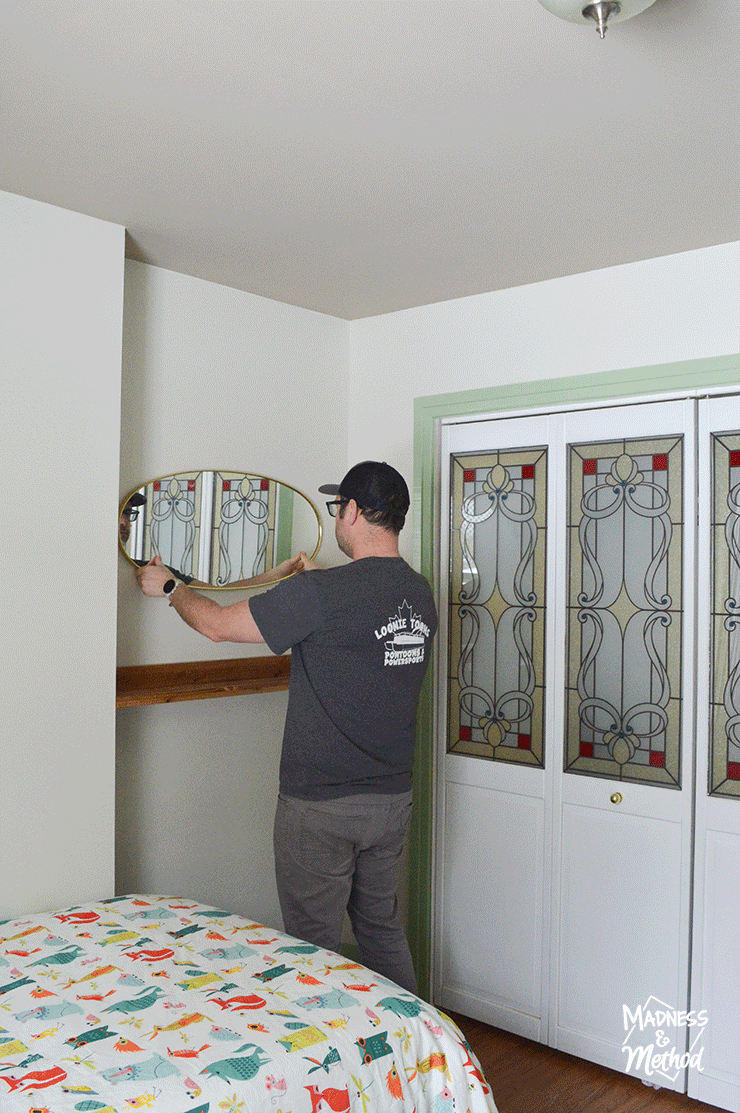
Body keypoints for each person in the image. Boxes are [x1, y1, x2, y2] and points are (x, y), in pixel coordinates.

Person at [134, 461, 437, 994]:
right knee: (382, 934)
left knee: (312, 951)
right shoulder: (418, 592)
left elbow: (216, 626)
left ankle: (328, 1067)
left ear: (351, 512)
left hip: (319, 810)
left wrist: (170, 586)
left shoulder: (321, 596)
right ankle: (411, 1059)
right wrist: (303, 583)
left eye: (336, 509)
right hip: (391, 802)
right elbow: (359, 628)